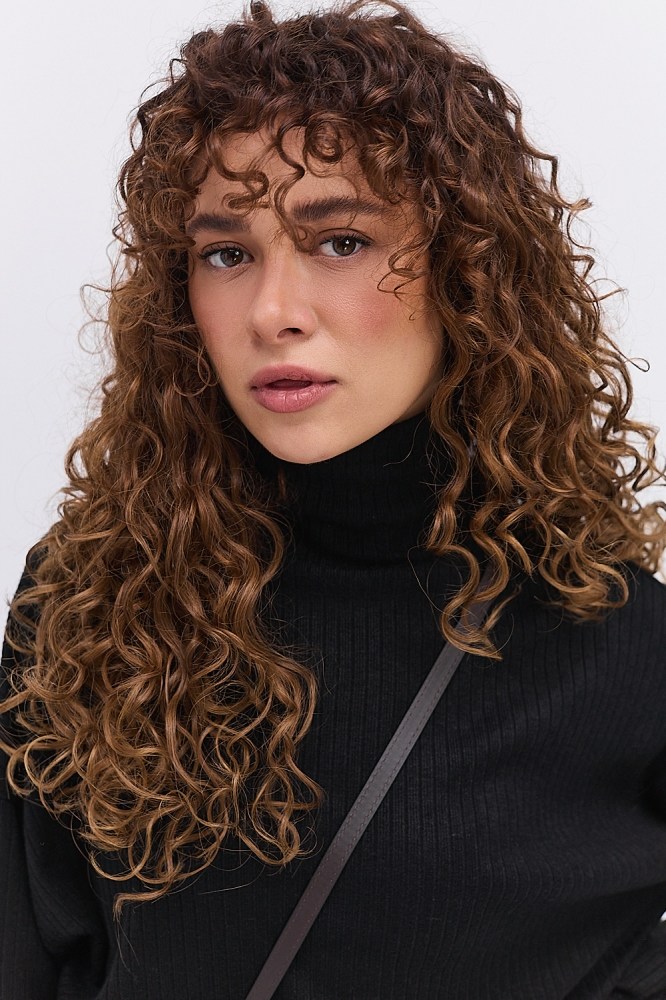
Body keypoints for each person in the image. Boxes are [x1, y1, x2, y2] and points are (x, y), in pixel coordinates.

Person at [2, 0, 666, 996]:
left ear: (466, 267)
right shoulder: (92, 605)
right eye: (227, 253)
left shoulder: (619, 647)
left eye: (340, 240)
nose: (274, 312)